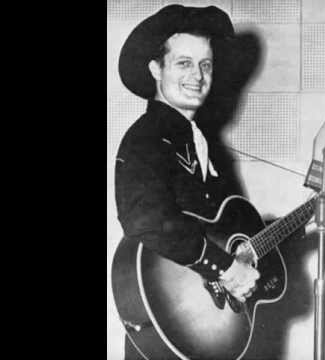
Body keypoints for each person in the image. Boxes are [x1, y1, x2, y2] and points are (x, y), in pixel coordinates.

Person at [115, 5, 260, 359]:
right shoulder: (146, 137)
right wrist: (224, 268)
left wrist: (306, 220)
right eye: (183, 63)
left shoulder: (199, 142)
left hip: (196, 330)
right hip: (164, 332)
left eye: (205, 64)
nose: (197, 75)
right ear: (156, 69)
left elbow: (219, 231)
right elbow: (145, 219)